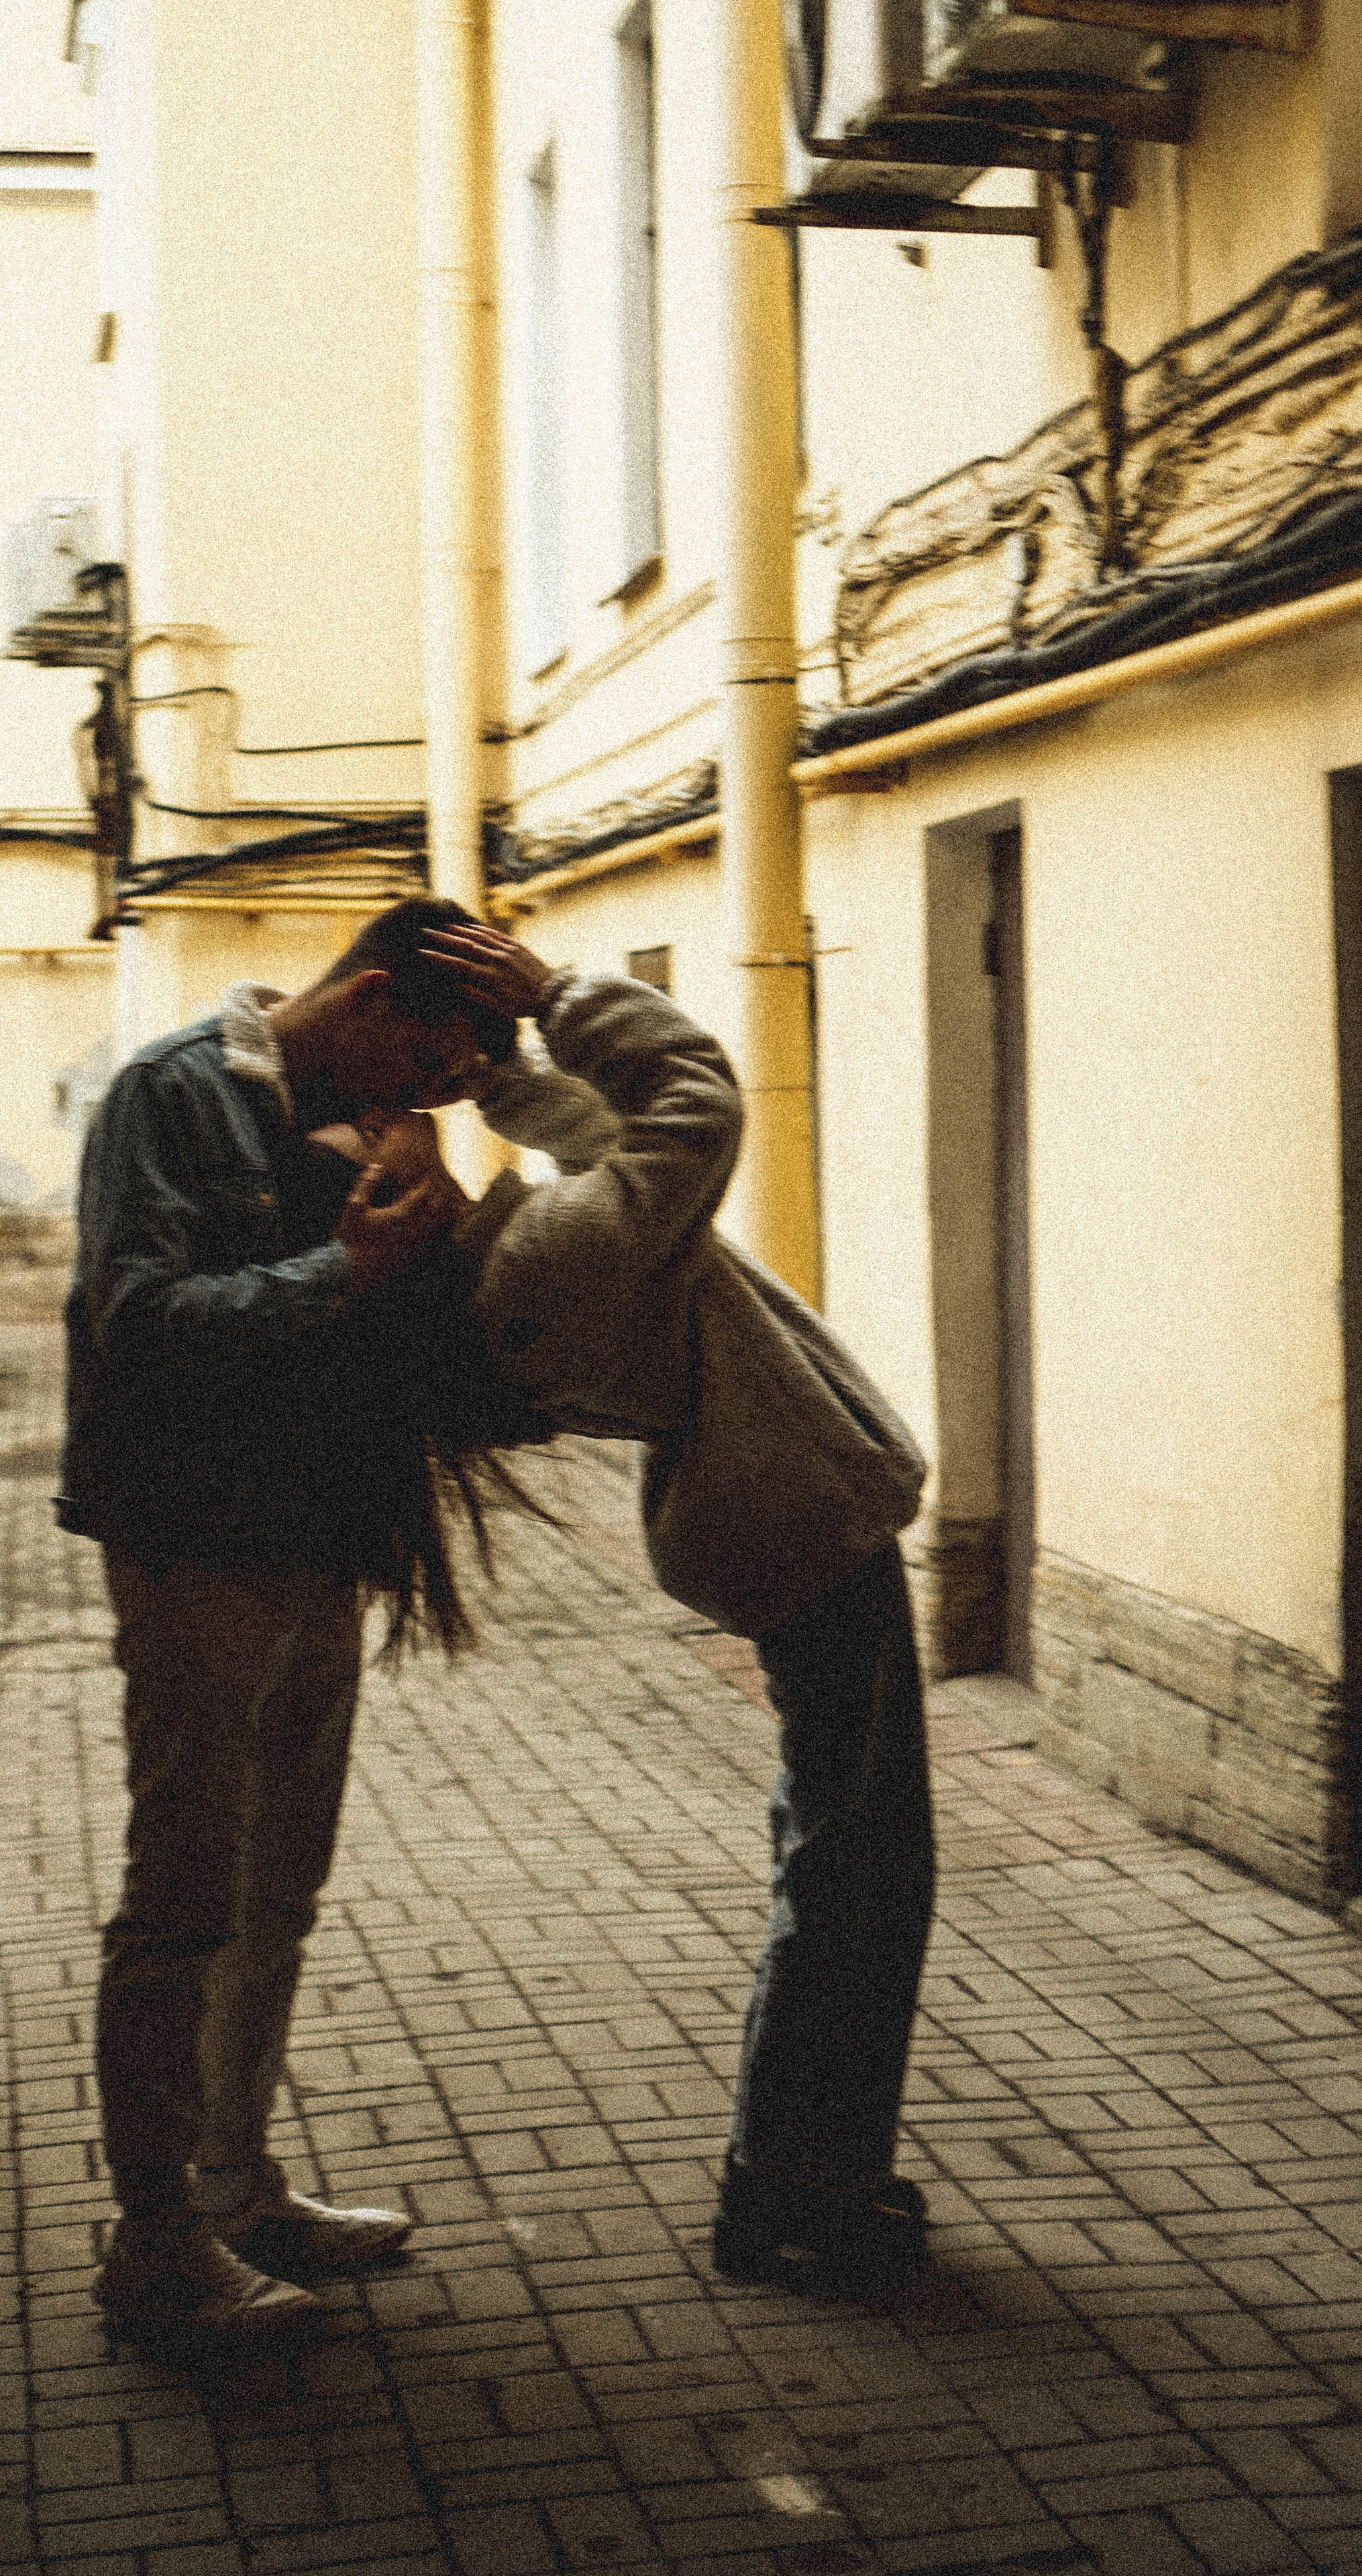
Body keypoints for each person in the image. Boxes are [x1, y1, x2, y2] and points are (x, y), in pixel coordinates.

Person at [413, 920, 939, 2297]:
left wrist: (494, 1071)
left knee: (837, 1849)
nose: (400, 1138)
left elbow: (595, 1141)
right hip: (798, 1525)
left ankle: (799, 2175)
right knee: (856, 1870)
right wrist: (559, 996)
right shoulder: (543, 1263)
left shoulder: (516, 1257)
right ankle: (798, 2192)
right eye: (380, 1142)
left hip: (768, 1519)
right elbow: (690, 1098)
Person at [58, 894, 521, 2349]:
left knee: (279, 1890)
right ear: (376, 1000)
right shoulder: (171, 1092)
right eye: (432, 1069)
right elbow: (136, 1318)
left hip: (320, 1543)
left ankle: (236, 2189)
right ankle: (153, 2247)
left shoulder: (353, 1120)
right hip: (196, 1547)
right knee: (183, 1899)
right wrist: (348, 1269)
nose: (427, 1102)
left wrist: (425, 1226)